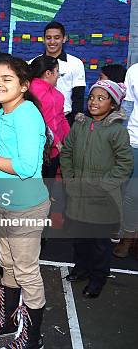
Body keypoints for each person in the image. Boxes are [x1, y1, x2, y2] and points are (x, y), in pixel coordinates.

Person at [0, 57, 49, 349]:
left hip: (25, 206)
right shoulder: (4, 113)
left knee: (26, 270)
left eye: (7, 79)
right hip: (4, 201)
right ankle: (8, 322)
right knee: (9, 265)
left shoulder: (26, 114)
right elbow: (5, 150)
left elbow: (27, 166)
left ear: (24, 85)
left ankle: (33, 338)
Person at [61, 80, 133, 297]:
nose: (94, 102)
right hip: (78, 195)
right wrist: (70, 180)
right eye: (92, 97)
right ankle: (81, 269)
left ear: (112, 104)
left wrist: (103, 186)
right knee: (81, 239)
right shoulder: (79, 125)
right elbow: (67, 153)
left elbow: (125, 165)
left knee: (99, 244)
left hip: (103, 199)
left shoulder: (117, 132)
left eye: (101, 98)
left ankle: (98, 278)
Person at [29, 55, 70, 179]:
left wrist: (69, 140)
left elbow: (61, 118)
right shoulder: (33, 91)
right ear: (48, 73)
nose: (58, 75)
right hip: (40, 149)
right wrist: (57, 141)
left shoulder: (57, 94)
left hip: (55, 150)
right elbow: (39, 121)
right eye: (57, 71)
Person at [39, 21, 86, 124]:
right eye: (48, 38)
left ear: (64, 39)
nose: (52, 42)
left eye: (57, 38)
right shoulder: (34, 63)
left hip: (66, 119)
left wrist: (75, 123)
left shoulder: (76, 63)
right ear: (43, 39)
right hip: (39, 118)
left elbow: (78, 96)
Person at [114, 63, 138, 257]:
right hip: (134, 141)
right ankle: (128, 236)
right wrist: (120, 138)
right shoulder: (134, 71)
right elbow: (128, 106)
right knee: (131, 194)